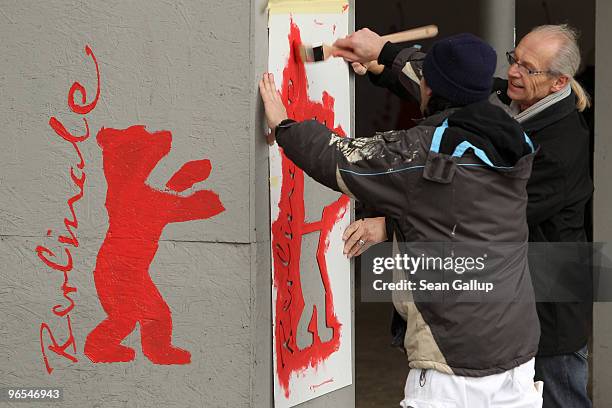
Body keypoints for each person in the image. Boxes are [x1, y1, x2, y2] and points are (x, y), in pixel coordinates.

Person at [260, 33, 542, 407]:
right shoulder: (511, 134)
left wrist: (285, 126)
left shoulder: (422, 154)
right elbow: (446, 84)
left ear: (429, 86)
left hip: (452, 363)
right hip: (516, 355)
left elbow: (339, 157)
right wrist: (384, 56)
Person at [343, 24, 593, 408]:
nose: (514, 72)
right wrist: (381, 58)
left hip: (549, 313)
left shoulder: (559, 146)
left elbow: (481, 210)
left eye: (529, 68)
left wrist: (392, 224)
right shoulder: (510, 103)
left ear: (559, 82)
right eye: (515, 59)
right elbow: (448, 85)